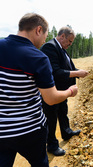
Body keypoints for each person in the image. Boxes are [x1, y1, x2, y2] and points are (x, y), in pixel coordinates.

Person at [0, 13, 78, 167]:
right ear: (38, 30)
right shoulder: (38, 57)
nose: (44, 40)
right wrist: (70, 91)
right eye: (45, 35)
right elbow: (50, 98)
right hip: (29, 130)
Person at [40, 26, 89, 156]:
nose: (70, 44)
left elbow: (68, 67)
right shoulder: (50, 47)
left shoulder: (61, 48)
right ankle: (51, 145)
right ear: (62, 36)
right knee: (50, 118)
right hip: (52, 91)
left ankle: (66, 132)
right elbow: (56, 72)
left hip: (61, 89)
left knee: (63, 111)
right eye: (69, 41)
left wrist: (79, 72)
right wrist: (76, 73)